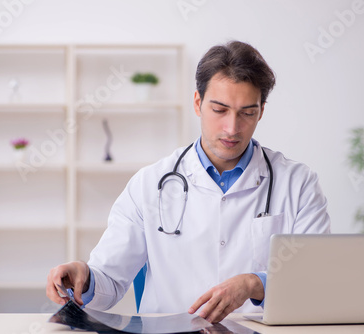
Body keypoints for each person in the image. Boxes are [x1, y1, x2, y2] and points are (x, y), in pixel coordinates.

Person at [46, 40, 331, 323]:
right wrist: (84, 276)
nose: (232, 128)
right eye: (219, 110)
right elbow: (110, 279)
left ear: (261, 111)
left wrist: (255, 284)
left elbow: (316, 281)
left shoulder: (298, 184)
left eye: (247, 113)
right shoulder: (148, 184)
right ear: (198, 102)